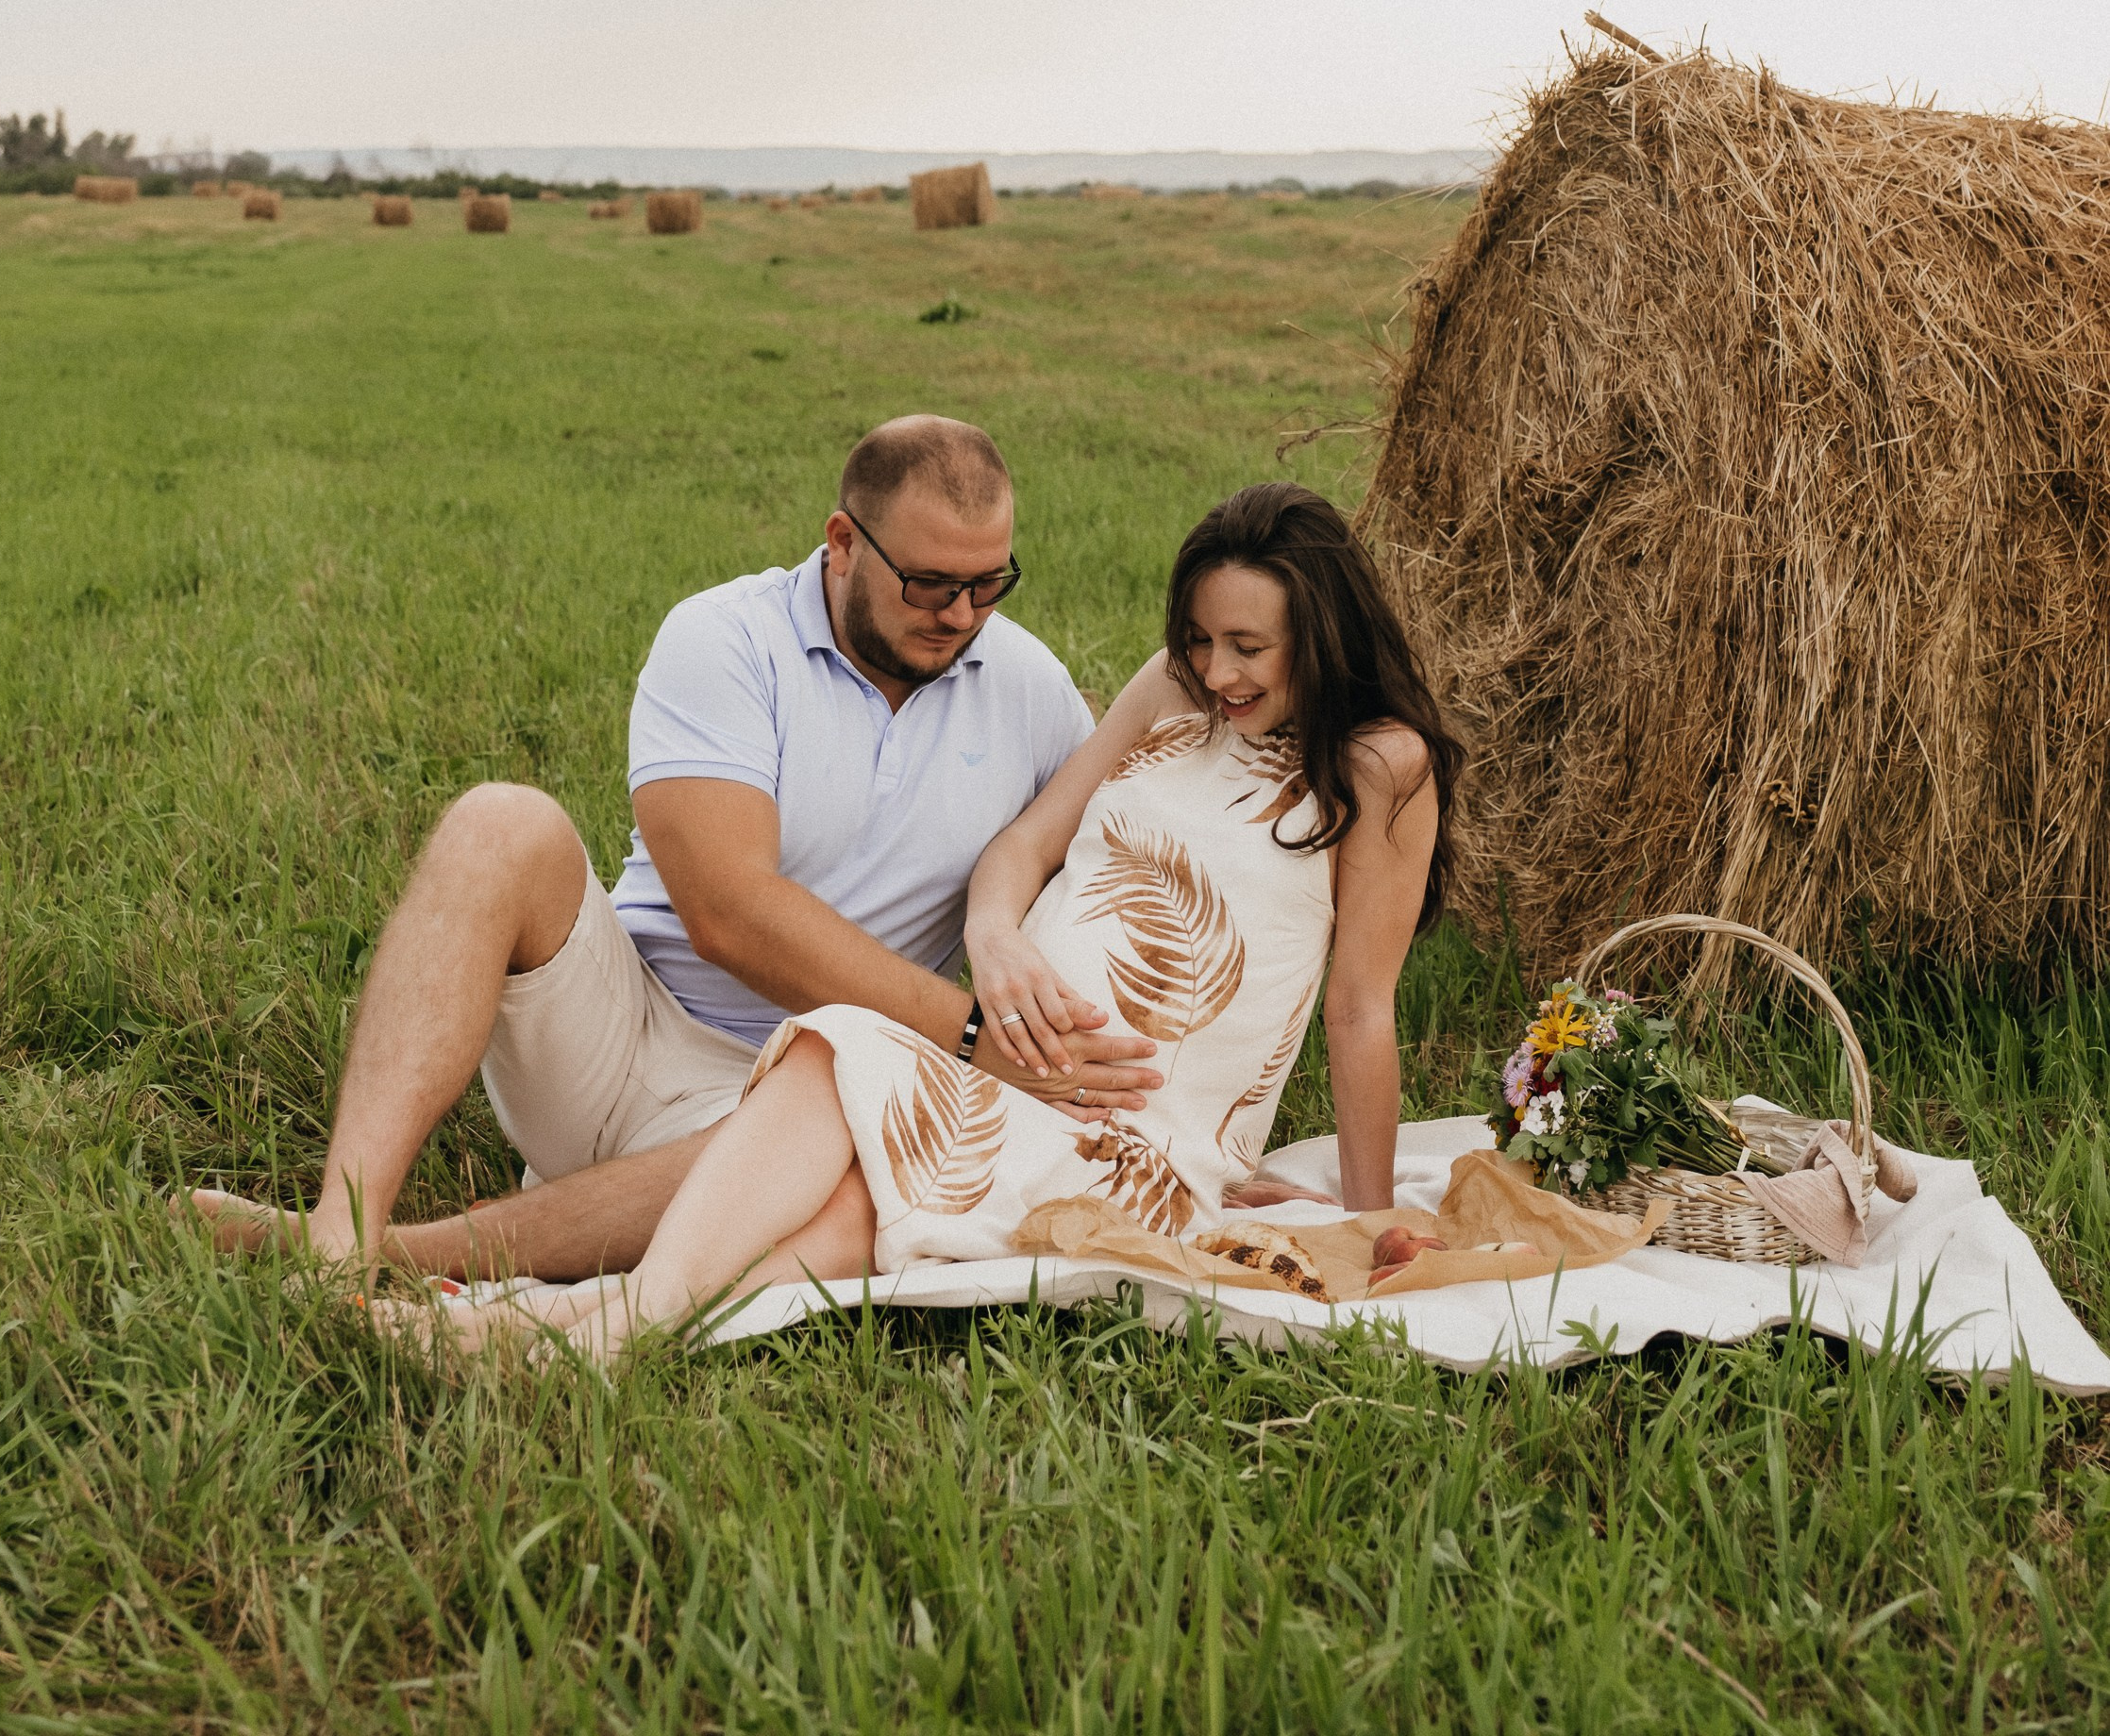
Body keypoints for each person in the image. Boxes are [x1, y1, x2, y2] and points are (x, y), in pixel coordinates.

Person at [419, 478, 1465, 1359]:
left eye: (1249, 645)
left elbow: (1358, 1006)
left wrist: (1365, 1212)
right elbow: (1024, 846)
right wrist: (995, 938)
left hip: (1133, 1128)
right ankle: (587, 1329)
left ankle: (585, 1324)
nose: (1218, 670)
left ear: (1321, 635)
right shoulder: (1167, 690)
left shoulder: (1383, 767)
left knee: (841, 1048)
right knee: (853, 1198)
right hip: (1006, 1072)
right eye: (1199, 637)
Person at [193, 414, 1161, 1279]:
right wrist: (969, 1036)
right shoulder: (725, 638)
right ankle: (343, 1223)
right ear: (841, 542)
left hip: (803, 1094)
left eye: (988, 584)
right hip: (619, 1036)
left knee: (865, 1149)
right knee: (499, 822)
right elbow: (727, 912)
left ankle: (402, 1256)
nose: (959, 616)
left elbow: (1102, 870)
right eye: (929, 584)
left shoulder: (1029, 688)